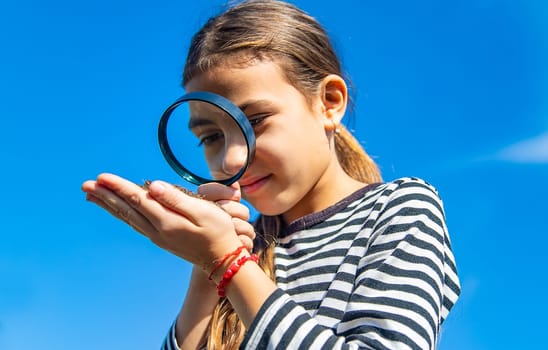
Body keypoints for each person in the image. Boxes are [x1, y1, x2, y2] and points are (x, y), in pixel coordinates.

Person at [82, 0, 461, 349]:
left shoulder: (400, 208)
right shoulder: (246, 243)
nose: (231, 161)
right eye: (211, 137)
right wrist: (205, 272)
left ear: (329, 103)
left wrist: (227, 265)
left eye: (256, 121)